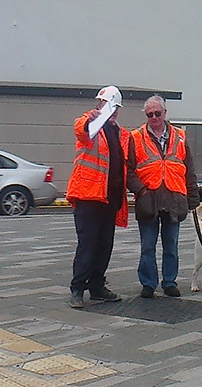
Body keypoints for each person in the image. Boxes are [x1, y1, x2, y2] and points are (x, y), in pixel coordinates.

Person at [127, 95, 200, 298]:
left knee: (171, 246)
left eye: (157, 113)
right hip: (147, 200)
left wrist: (193, 198)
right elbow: (128, 171)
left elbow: (189, 170)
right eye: (150, 114)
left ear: (165, 113)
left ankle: (169, 282)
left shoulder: (180, 136)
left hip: (174, 199)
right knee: (147, 246)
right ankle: (148, 284)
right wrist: (141, 191)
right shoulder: (135, 137)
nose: (154, 117)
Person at [66, 86, 131, 309]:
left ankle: (96, 286)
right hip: (88, 196)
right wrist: (91, 119)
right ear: (100, 104)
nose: (112, 111)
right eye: (108, 105)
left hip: (109, 198)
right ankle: (77, 288)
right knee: (88, 244)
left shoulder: (121, 133)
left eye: (115, 108)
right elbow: (80, 129)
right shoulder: (90, 123)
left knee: (104, 246)